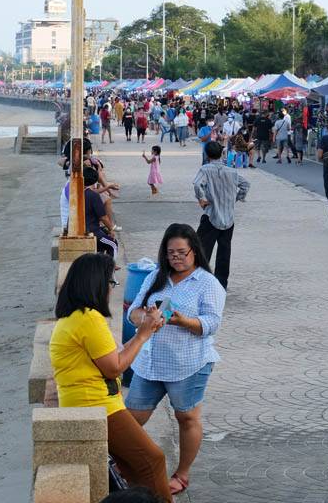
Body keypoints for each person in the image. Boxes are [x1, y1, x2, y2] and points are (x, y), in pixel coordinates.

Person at [49, 253, 172, 502]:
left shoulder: (76, 317)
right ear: (95, 283)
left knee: (133, 466)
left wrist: (144, 328)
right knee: (152, 460)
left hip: (91, 402)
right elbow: (115, 368)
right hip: (95, 406)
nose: (111, 289)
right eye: (111, 282)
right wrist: (143, 335)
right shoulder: (88, 319)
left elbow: (113, 357)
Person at [126, 224, 227, 497]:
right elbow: (133, 311)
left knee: (186, 416)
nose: (176, 258)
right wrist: (144, 318)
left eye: (182, 252)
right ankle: (124, 467)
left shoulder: (208, 283)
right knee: (130, 419)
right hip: (150, 362)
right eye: (171, 253)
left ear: (194, 251)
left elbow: (211, 324)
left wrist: (183, 321)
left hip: (189, 362)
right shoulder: (157, 276)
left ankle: (182, 474)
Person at [193, 141, 250, 289]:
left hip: (211, 216)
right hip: (228, 218)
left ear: (207, 154)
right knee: (224, 253)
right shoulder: (231, 171)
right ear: (221, 153)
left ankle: (199, 282)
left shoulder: (205, 170)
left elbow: (197, 184)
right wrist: (236, 198)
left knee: (202, 251)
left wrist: (202, 199)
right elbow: (245, 185)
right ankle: (220, 286)